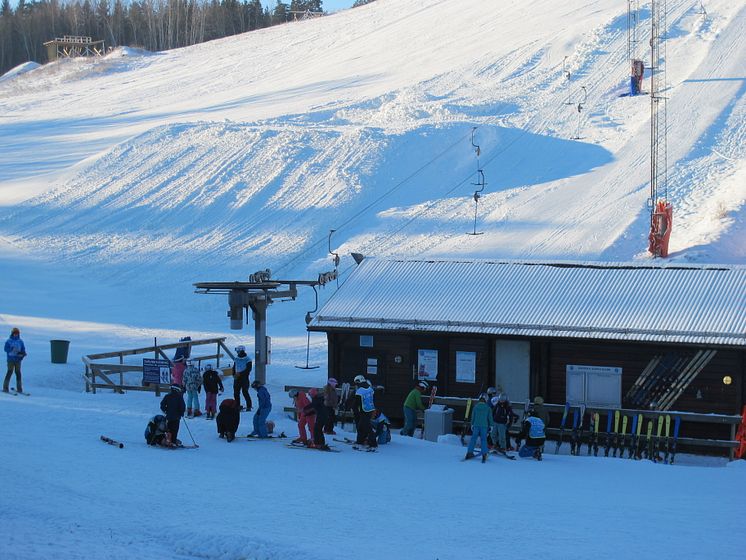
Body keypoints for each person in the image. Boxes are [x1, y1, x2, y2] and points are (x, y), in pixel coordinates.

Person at [465, 394, 494, 463]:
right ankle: (484, 454)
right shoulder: (488, 408)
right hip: (484, 426)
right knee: (484, 439)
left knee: (473, 439)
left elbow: (473, 416)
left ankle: (469, 453)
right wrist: (491, 425)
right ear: (486, 400)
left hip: (476, 425)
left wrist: (472, 424)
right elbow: (490, 418)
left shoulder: (475, 407)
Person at [353, 375, 377, 448]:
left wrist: (354, 409)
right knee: (362, 426)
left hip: (364, 411)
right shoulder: (370, 388)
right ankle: (360, 441)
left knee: (367, 427)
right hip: (370, 410)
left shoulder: (359, 391)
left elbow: (357, 402)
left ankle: (373, 443)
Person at [3, 327, 26, 394]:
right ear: (12, 334)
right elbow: (5, 349)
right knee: (9, 372)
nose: (16, 334)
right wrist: (10, 349)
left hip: (18, 360)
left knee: (18, 373)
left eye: (17, 333)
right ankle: (5, 387)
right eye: (14, 333)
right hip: (10, 359)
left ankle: (19, 389)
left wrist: (23, 353)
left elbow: (23, 349)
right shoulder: (9, 341)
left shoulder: (20, 341)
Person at [232, 345, 253, 411]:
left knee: (245, 392)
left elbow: (248, 370)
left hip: (244, 378)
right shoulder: (236, 358)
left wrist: (240, 374)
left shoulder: (248, 359)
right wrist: (234, 374)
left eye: (238, 351)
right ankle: (237, 405)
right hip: (237, 378)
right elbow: (234, 367)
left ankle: (249, 406)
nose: (237, 352)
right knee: (236, 393)